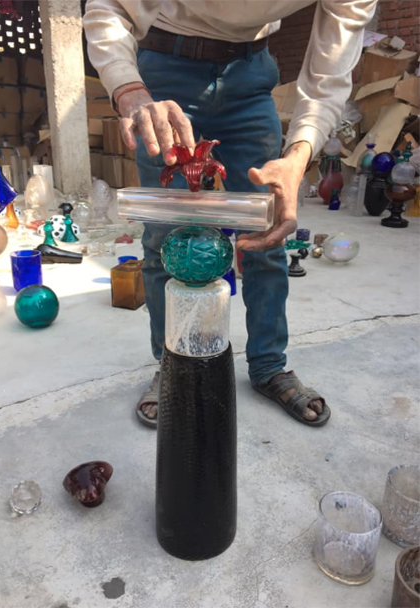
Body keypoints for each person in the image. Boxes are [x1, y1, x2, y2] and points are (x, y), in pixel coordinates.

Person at [83, 0, 376, 428]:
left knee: (266, 232)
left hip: (250, 75)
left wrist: (299, 156)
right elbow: (108, 6)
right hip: (164, 67)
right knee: (165, 238)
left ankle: (269, 366)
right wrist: (130, 90)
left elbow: (329, 74)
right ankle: (172, 364)